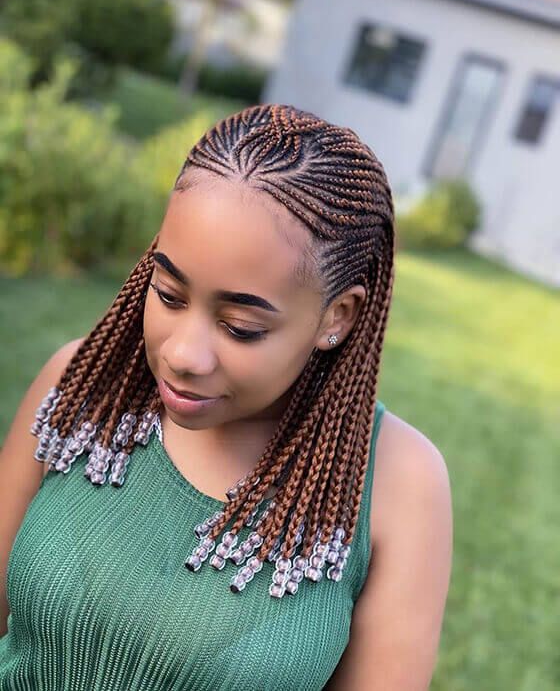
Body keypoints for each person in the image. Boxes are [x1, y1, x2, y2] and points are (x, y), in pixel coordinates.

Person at [0, 104, 452, 690]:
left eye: (241, 327)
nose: (183, 353)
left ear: (337, 316)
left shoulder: (398, 486)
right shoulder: (83, 386)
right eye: (169, 294)